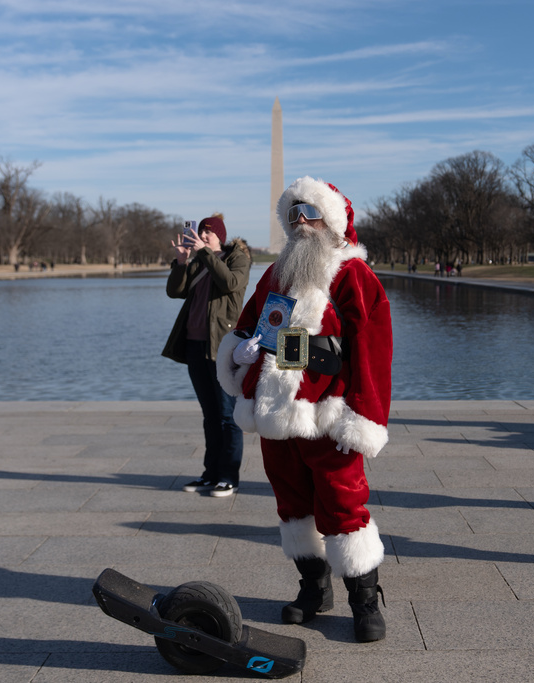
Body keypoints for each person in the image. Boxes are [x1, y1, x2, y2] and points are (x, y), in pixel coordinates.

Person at [217, 176, 393, 643]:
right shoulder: (276, 274)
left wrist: (364, 416)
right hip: (275, 409)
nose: (301, 224)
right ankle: (314, 588)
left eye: (309, 214)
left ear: (333, 222)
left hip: (326, 415)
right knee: (292, 503)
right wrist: (239, 352)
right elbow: (248, 324)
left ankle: (364, 598)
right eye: (293, 215)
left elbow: (374, 351)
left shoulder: (355, 276)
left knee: (342, 502)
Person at [162, 214, 251, 498]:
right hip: (195, 346)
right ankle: (209, 474)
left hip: (222, 347)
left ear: (220, 237)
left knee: (228, 416)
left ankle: (228, 477)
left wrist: (204, 253)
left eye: (208, 233)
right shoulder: (198, 260)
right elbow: (174, 291)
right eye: (200, 232)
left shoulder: (237, 259)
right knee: (210, 415)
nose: (202, 236)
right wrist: (181, 262)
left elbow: (229, 284)